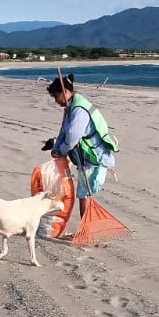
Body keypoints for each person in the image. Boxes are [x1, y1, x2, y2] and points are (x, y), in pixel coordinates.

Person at [45, 74, 117, 238]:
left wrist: (62, 150)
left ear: (65, 92)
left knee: (84, 194)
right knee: (84, 193)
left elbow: (72, 138)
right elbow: (63, 132)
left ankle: (86, 232)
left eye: (56, 96)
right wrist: (56, 149)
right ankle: (86, 229)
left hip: (95, 158)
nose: (55, 100)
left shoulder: (79, 110)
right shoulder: (70, 108)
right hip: (85, 158)